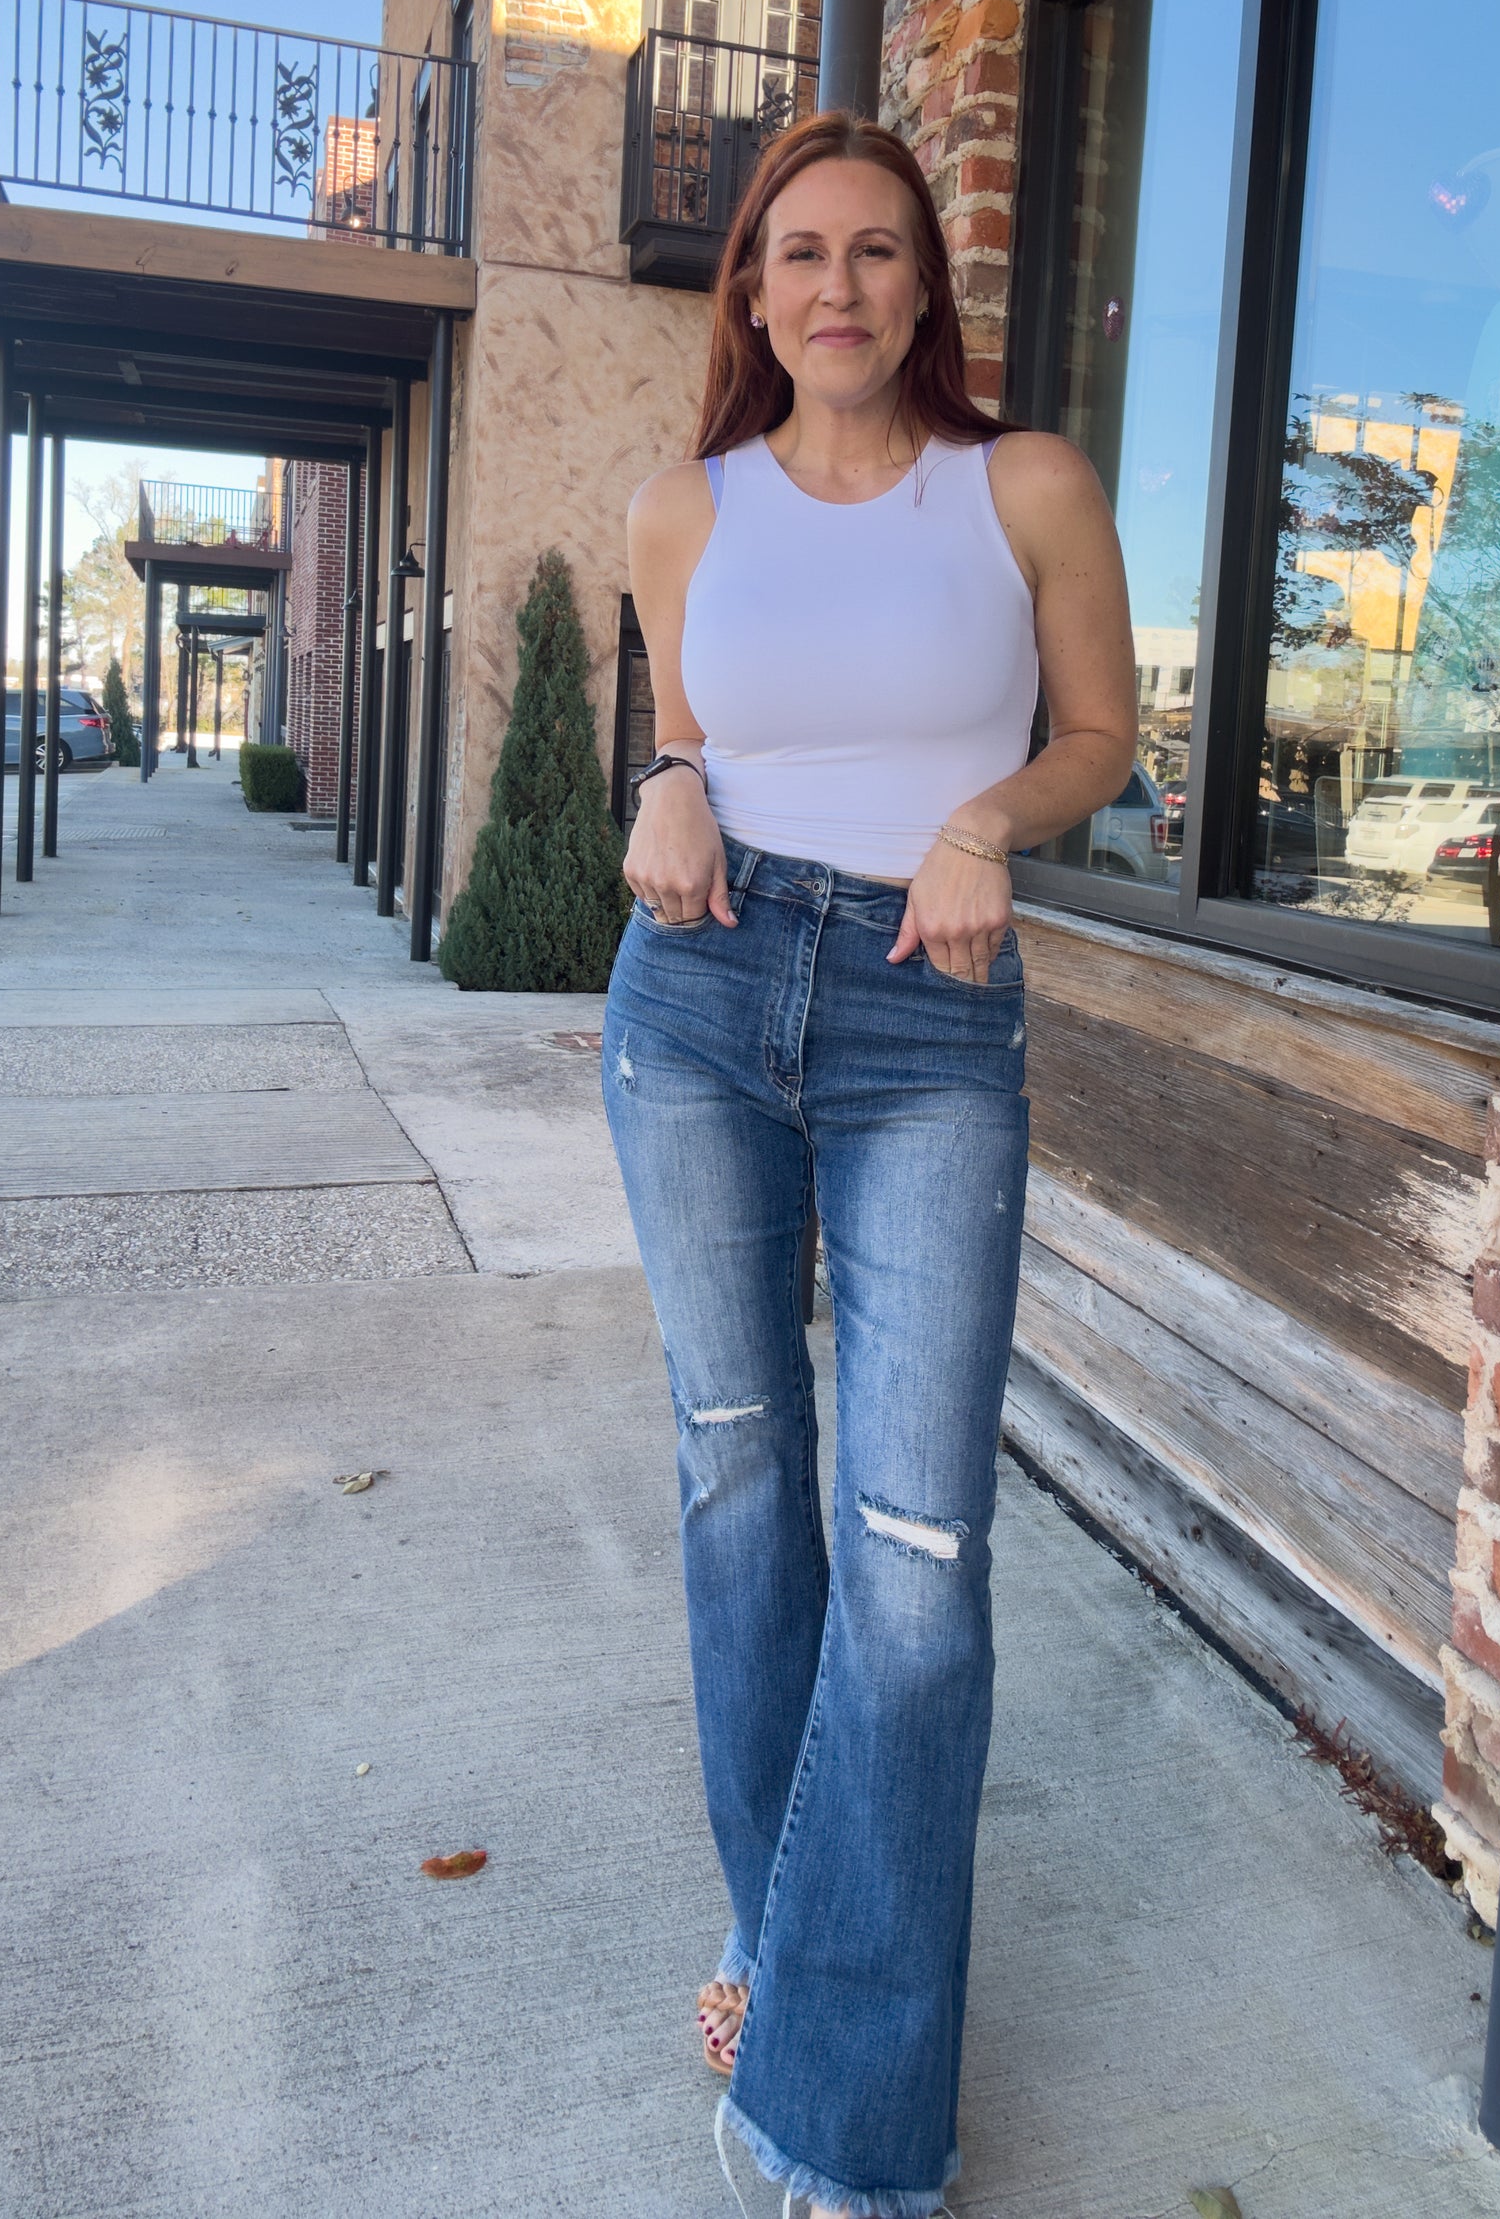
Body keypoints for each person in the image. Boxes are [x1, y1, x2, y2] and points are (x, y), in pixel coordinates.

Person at [602, 111, 1135, 2218]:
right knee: (740, 1489)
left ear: (926, 288)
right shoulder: (683, 508)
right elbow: (688, 733)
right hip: (700, 1001)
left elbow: (1098, 733)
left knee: (914, 1563)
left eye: (878, 251)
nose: (838, 285)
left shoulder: (1025, 488)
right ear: (752, 291)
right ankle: (781, 1960)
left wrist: (983, 823)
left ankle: (846, 2122)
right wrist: (660, 776)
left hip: (929, 1012)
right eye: (801, 252)